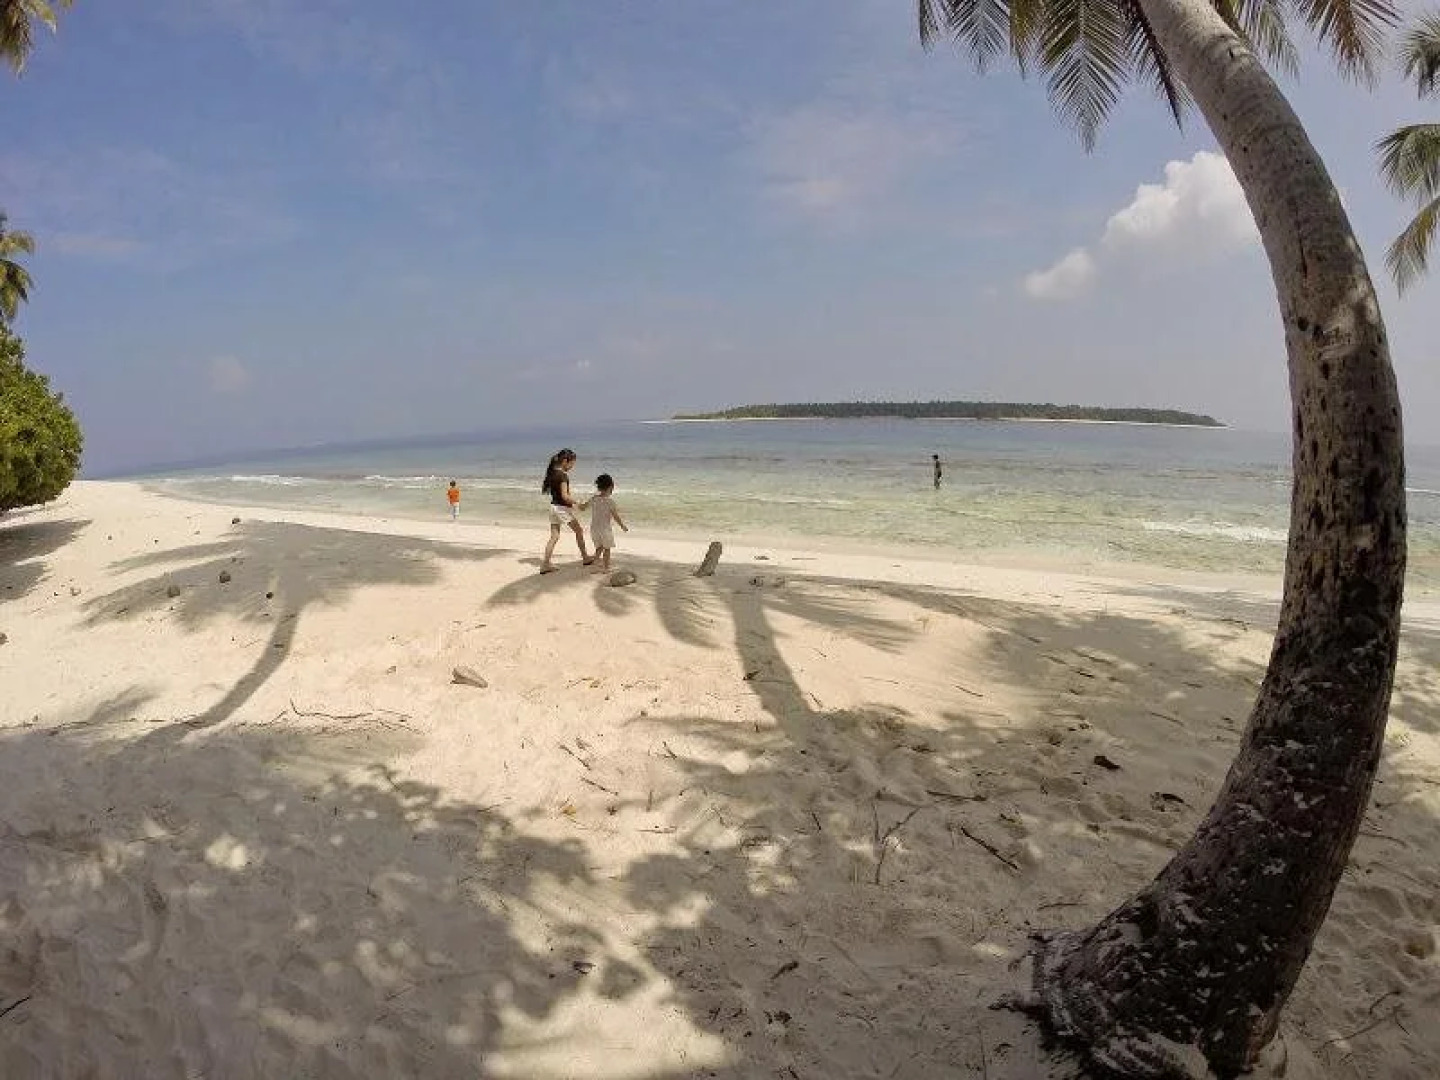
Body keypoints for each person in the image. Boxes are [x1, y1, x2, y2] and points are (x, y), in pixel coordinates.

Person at [539, 448, 594, 573]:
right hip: (561, 509)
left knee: (554, 537)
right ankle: (585, 558)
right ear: (565, 461)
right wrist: (578, 503)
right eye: (572, 463)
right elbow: (565, 496)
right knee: (579, 531)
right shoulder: (563, 475)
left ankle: (545, 564)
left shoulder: (552, 473)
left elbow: (558, 495)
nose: (572, 467)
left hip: (553, 508)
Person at [587, 473, 628, 572]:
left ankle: (595, 563)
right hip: (605, 529)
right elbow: (615, 516)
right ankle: (606, 568)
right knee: (607, 548)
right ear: (610, 487)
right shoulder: (610, 502)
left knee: (599, 547)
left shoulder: (594, 499)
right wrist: (622, 526)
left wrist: (575, 505)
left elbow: (583, 507)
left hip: (594, 528)